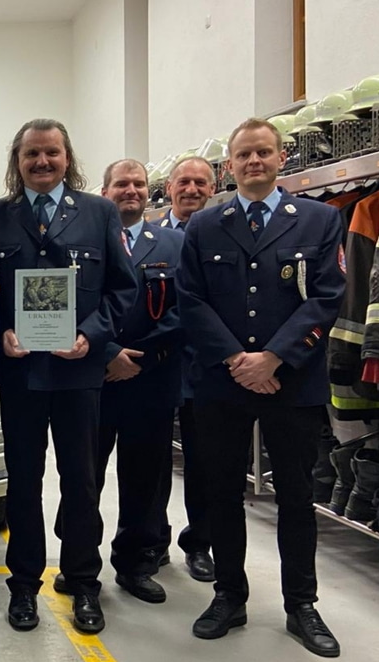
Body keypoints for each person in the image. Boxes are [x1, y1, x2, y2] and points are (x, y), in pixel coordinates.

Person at [176, 118, 346, 657]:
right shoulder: (205, 226)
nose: (254, 162)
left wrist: (274, 357)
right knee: (222, 491)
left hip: (291, 381)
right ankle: (229, 595)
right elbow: (190, 299)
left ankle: (302, 604)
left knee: (296, 495)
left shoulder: (320, 220)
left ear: (281, 158)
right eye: (244, 155)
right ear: (230, 165)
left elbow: (327, 296)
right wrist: (237, 359)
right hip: (222, 382)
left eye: (264, 153)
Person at [0, 118, 136, 636]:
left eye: (51, 153)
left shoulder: (99, 212)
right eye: (31, 154)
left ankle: (83, 583)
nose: (42, 162)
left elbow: (123, 289)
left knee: (81, 482)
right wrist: (0, 333)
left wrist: (91, 336)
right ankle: (24, 586)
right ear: (16, 162)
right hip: (21, 374)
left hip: (78, 373)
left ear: (68, 159)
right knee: (23, 484)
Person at [91, 158, 184, 604]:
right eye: (121, 184)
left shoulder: (174, 243)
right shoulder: (85, 242)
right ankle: (79, 562)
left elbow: (186, 308)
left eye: (139, 184)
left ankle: (136, 564)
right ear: (104, 192)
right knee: (84, 475)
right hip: (93, 378)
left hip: (151, 380)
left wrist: (139, 360)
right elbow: (71, 305)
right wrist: (108, 352)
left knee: (145, 478)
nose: (131, 191)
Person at [155, 155, 218, 582]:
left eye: (200, 182)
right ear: (169, 188)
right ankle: (153, 538)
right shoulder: (150, 238)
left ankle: (199, 544)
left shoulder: (224, 236)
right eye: (184, 182)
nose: (191, 189)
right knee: (153, 461)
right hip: (158, 366)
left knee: (203, 462)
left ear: (212, 189)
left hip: (206, 368)